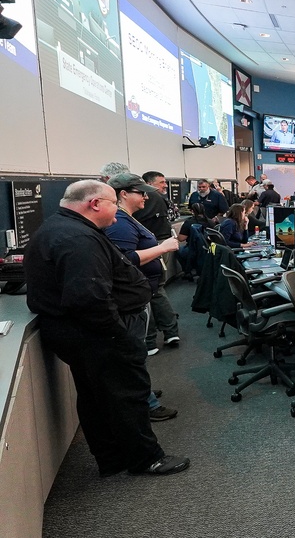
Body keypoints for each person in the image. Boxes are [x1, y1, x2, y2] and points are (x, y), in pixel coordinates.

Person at [24, 180, 189, 476]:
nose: (118, 211)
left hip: (78, 332)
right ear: (95, 204)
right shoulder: (77, 239)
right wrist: (119, 334)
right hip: (96, 333)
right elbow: (88, 298)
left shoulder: (61, 228)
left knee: (96, 396)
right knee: (128, 393)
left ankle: (112, 457)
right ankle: (146, 458)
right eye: (114, 203)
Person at [105, 173, 182, 359]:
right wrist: (162, 248)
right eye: (141, 193)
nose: (146, 197)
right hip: (135, 292)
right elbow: (126, 259)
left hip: (143, 287)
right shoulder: (120, 223)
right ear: (123, 194)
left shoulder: (127, 218)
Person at [132, 171, 173, 241]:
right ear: (149, 184)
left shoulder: (160, 198)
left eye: (165, 182)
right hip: (154, 242)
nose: (166, 185)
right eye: (161, 182)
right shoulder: (149, 198)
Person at [177, 202, 213, 279]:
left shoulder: (189, 222)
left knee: (178, 250)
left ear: (192, 211)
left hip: (192, 249)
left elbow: (181, 238)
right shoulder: (211, 222)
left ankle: (187, 270)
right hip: (210, 249)